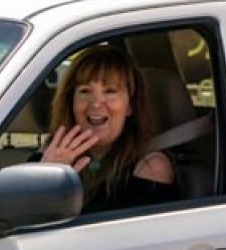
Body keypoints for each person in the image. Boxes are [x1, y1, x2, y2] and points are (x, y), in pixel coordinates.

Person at [37, 45, 175, 214]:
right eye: (85, 91)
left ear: (130, 105)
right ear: (71, 103)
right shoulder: (48, 158)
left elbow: (129, 237)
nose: (96, 103)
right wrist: (44, 181)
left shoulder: (150, 167)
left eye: (110, 91)